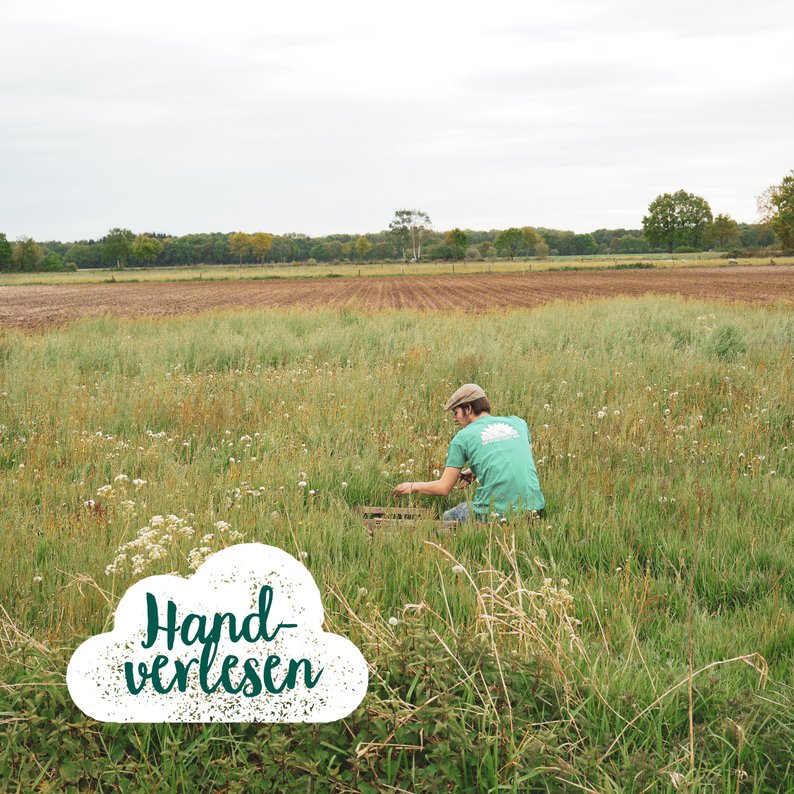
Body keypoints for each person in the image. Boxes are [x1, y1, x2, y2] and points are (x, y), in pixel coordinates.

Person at [393, 384, 545, 522]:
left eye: (456, 412)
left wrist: (413, 486)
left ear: (468, 409)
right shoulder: (518, 423)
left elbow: (443, 488)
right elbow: (514, 457)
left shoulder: (463, 437)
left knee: (449, 517)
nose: (455, 419)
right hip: (533, 509)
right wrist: (474, 470)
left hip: (493, 514)